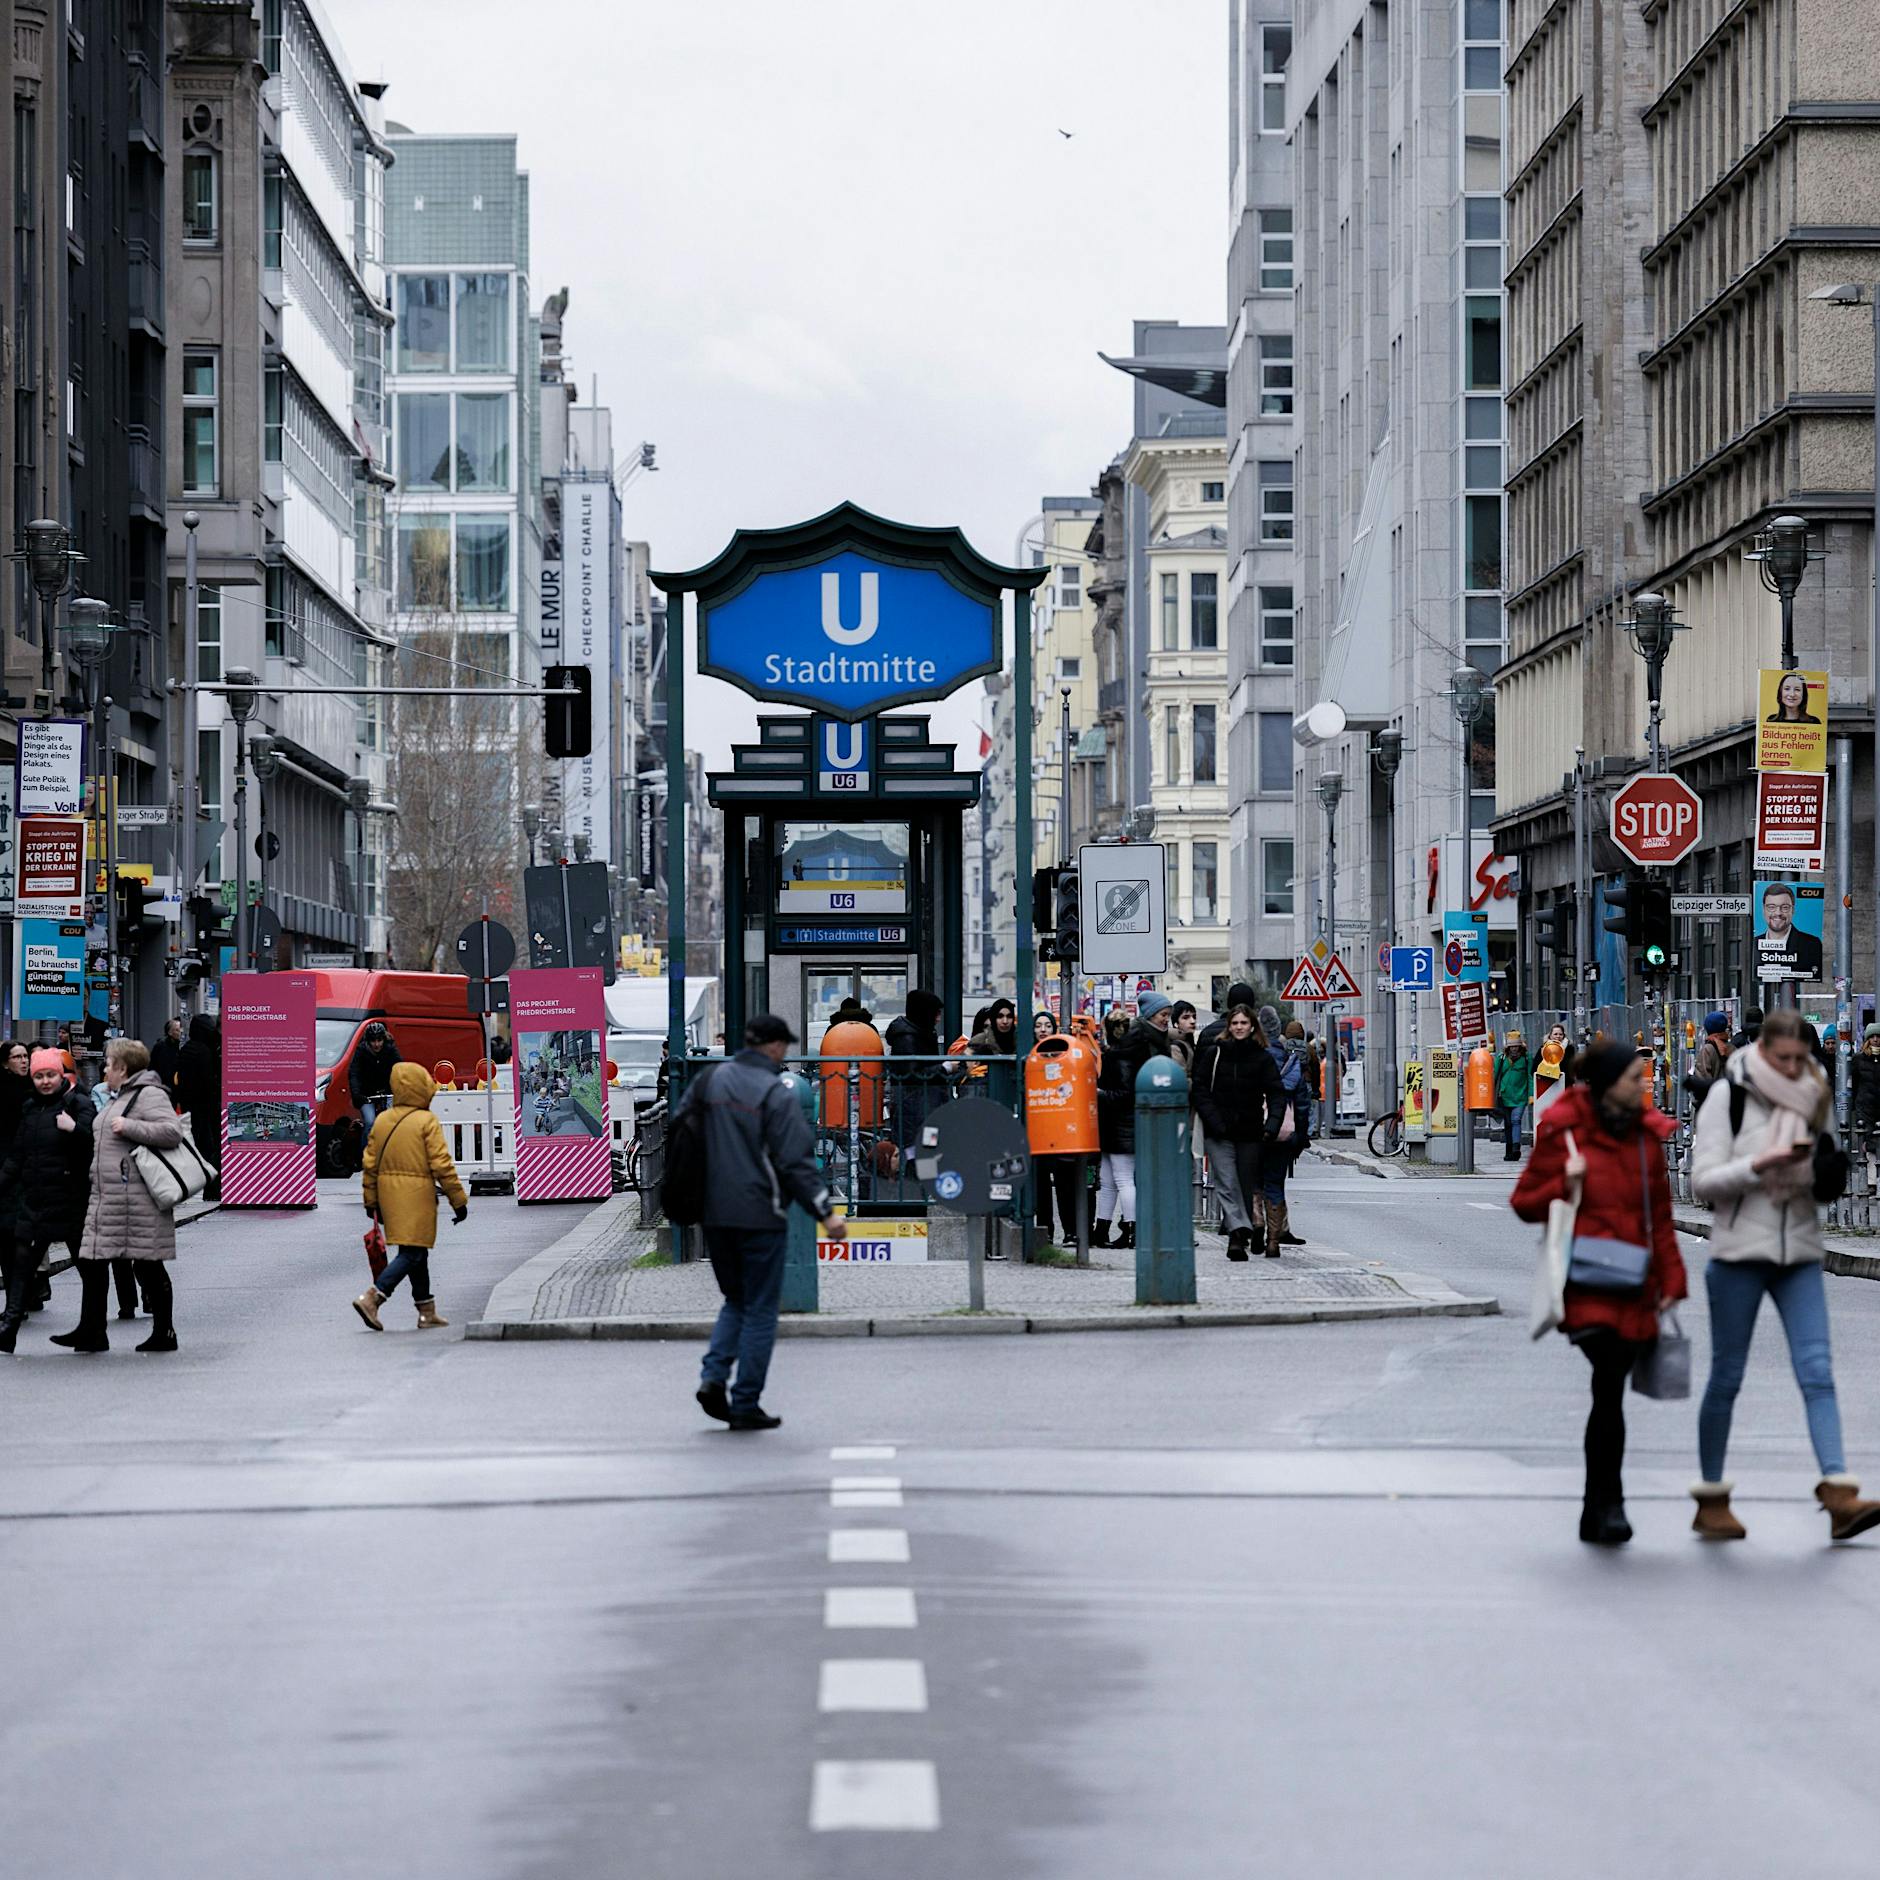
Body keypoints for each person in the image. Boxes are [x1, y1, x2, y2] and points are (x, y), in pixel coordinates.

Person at [1687, 1008, 1880, 1542]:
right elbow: (1704, 1182)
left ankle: (1839, 1494)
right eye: (1785, 1059)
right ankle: (1711, 1499)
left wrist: (1826, 1173)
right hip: (1738, 1253)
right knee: (1727, 1377)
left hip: (1798, 1250)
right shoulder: (1729, 1097)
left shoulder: (1814, 1094)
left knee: (1817, 1371)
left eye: (1802, 1059)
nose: (1795, 1068)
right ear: (1763, 1051)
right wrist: (1761, 1164)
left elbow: (1824, 1169)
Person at [1511, 1042, 1687, 1545]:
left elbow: (1660, 1218)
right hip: (1587, 1283)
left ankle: (1598, 1508)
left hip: (1634, 1282)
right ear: (1610, 1084)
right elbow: (1524, 1202)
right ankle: (1609, 1504)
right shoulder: (1565, 1133)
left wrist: (1673, 1281)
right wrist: (1562, 1183)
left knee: (1609, 1393)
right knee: (1609, 1382)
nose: (1643, 1084)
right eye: (1635, 1077)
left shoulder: (1645, 1139)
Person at [681, 1015, 846, 1429]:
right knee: (759, 1308)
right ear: (773, 1046)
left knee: (735, 1298)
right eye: (783, 1046)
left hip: (713, 1213)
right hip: (760, 1214)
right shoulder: (776, 1092)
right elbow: (795, 1162)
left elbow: (682, 1135)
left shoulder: (709, 1082)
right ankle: (745, 1402)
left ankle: (713, 1376)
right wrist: (825, 1213)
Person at [52, 1040, 189, 1355]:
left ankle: (164, 1331)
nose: (105, 1069)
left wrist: (130, 1126)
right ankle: (92, 1331)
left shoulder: (149, 1094)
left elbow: (172, 1132)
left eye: (110, 1063)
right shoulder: (120, 1096)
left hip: (137, 1199)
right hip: (108, 1197)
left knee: (149, 1264)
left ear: (123, 1068)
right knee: (93, 1261)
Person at [352, 1063, 468, 1332]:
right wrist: (458, 1201)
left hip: (388, 1197)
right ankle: (373, 1298)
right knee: (412, 1252)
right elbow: (441, 1164)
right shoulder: (426, 1121)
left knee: (416, 1251)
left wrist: (371, 1201)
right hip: (417, 1197)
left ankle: (427, 1312)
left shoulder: (382, 1121)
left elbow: (370, 1165)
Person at [1192, 1006, 1282, 1260]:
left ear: (1252, 1026)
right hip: (1218, 1131)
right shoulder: (1215, 1053)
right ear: (1228, 1026)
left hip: (1250, 1131)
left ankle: (1239, 1235)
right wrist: (1214, 1120)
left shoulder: (1262, 1058)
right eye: (1235, 1023)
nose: (1239, 1027)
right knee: (1225, 1181)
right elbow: (1200, 1089)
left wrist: (1272, 1125)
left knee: (1243, 1185)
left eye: (1244, 1023)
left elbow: (1276, 1093)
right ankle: (1237, 1232)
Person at [1093, 992, 1173, 1249]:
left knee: (1122, 1179)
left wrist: (1098, 1093)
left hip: (1122, 1123)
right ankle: (1102, 1229)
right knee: (1109, 1180)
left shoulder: (1122, 1054)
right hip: (1119, 1124)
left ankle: (1132, 1230)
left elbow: (1125, 1093)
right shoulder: (1138, 1049)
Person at [1262, 1018, 1314, 1252]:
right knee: (1275, 1181)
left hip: (1255, 1127)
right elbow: (1302, 1103)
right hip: (1285, 1127)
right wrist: (1301, 1136)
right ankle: (1275, 1237)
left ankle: (1255, 1225)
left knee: (1255, 1182)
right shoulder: (1292, 1058)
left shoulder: (1254, 1057)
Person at [886, 988, 947, 1153]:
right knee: (921, 1153)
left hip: (922, 1108)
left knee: (926, 1151)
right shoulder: (908, 1038)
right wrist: (945, 1068)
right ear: (924, 1013)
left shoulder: (918, 1033)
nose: (938, 1019)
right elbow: (913, 1073)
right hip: (916, 1110)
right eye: (935, 1014)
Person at [176, 1013, 222, 1196]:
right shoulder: (205, 1051)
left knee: (199, 1145)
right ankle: (212, 1188)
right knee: (211, 1147)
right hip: (206, 1107)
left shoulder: (187, 1049)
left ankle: (205, 1186)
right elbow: (209, 1081)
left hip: (190, 1105)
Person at [348, 1020, 403, 1138]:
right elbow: (354, 1074)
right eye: (373, 1041)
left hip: (388, 1092)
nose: (376, 1044)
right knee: (370, 1122)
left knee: (393, 1122)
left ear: (384, 1039)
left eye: (379, 1040)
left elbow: (400, 1069)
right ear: (368, 1041)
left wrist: (401, 1089)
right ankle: (366, 1149)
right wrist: (357, 1094)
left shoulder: (390, 1050)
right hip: (367, 1095)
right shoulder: (361, 1052)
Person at [1756, 884, 1822, 980]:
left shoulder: (1812, 944)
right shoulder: (1753, 944)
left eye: (1785, 907)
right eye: (1771, 907)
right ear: (1763, 910)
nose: (1778, 913)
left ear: (1793, 910)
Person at [1495, 1032, 1533, 1161]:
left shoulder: (1526, 1058)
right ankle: (1509, 1151)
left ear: (1520, 1046)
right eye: (1511, 1046)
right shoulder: (1501, 1058)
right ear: (1507, 1047)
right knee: (1508, 1123)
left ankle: (1516, 1148)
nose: (1514, 1049)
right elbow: (1495, 1076)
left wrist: (1531, 1094)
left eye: (1516, 1046)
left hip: (1520, 1096)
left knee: (1516, 1120)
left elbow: (1530, 1077)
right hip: (1504, 1096)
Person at [1851, 1024, 1880, 1177]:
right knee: (1869, 1142)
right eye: (1872, 1037)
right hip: (1865, 1107)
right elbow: (1854, 1084)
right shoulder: (1858, 1059)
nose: (1875, 1039)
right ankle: (1871, 1180)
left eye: (1878, 1036)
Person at [149, 1016, 184, 1096]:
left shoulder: (178, 1046)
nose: (180, 1032)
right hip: (162, 1085)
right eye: (177, 1030)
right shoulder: (161, 1046)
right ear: (170, 1032)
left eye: (180, 1029)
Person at [1167, 1001, 1198, 1073]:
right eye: (1186, 1018)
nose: (1193, 1021)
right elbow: (1180, 1076)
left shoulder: (1188, 1041)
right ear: (1176, 1023)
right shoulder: (1175, 1047)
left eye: (1194, 1017)